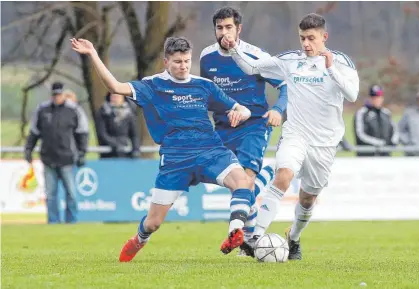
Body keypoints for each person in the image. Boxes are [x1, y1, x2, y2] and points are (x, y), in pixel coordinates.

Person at [71, 36, 256, 261]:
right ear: (166, 62)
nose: (183, 66)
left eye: (187, 60)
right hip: (176, 160)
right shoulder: (152, 85)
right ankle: (139, 239)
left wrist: (239, 113)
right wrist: (93, 54)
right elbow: (115, 87)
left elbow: (243, 109)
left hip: (210, 151)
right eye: (178, 61)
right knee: (153, 222)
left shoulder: (203, 86)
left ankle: (235, 231)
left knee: (243, 181)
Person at [224, 12, 359, 260]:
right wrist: (234, 50)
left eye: (311, 38)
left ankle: (294, 237)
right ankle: (254, 239)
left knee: (308, 199)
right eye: (302, 38)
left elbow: (352, 94)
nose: (306, 44)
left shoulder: (340, 62)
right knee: (283, 176)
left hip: (325, 143)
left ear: (324, 37)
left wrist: (330, 70)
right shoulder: (289, 60)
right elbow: (252, 66)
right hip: (295, 133)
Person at [200, 6, 288, 255]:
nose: (224, 33)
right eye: (219, 28)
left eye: (229, 27)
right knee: (238, 185)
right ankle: (265, 179)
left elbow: (284, 86)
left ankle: (237, 232)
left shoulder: (256, 56)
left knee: (245, 179)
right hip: (223, 129)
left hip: (254, 126)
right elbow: (209, 96)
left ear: (239, 29)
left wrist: (278, 110)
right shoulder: (207, 58)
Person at [24, 82, 89, 224]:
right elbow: (34, 132)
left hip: (67, 158)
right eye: (54, 94)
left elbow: (82, 132)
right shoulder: (42, 110)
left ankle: (71, 222)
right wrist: (28, 149)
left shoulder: (74, 110)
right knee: (50, 195)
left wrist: (82, 152)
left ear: (63, 94)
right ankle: (53, 222)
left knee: (71, 194)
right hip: (48, 158)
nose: (56, 97)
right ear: (51, 95)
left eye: (59, 94)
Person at [354, 85, 398, 156]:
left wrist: (393, 141)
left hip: (385, 155)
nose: (377, 99)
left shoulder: (386, 113)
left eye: (379, 97)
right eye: (374, 97)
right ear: (370, 98)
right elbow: (360, 135)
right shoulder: (362, 113)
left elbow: (394, 130)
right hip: (367, 157)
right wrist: (379, 143)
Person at [95, 93, 141, 158]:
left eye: (117, 96)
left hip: (125, 150)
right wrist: (115, 145)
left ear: (123, 98)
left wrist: (136, 149)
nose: (115, 98)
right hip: (107, 152)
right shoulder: (103, 112)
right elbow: (102, 133)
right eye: (113, 96)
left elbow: (135, 135)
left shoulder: (130, 114)